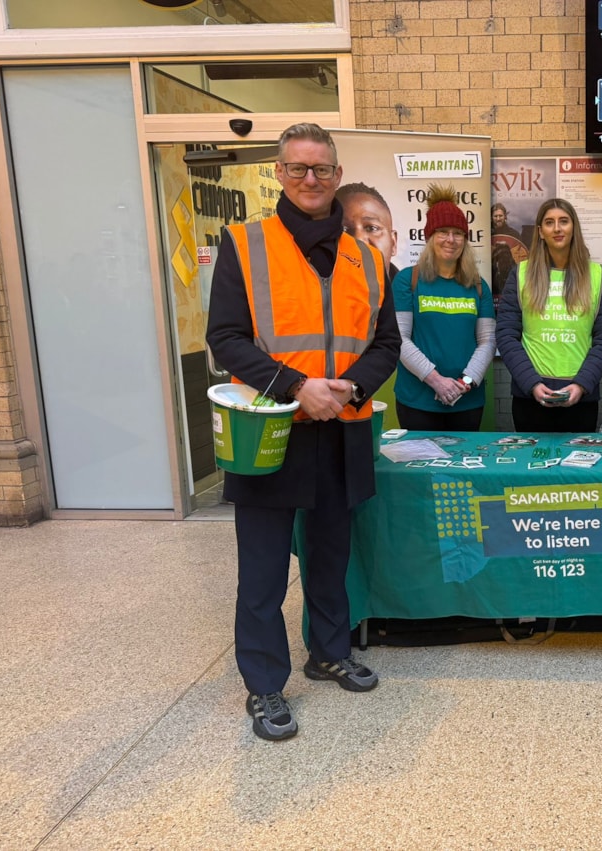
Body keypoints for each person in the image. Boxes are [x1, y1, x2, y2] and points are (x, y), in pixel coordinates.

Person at [206, 123, 401, 740]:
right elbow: (226, 338)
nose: (310, 180)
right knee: (262, 566)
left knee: (329, 552)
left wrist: (350, 388)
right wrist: (296, 387)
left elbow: (385, 343)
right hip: (267, 430)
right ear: (280, 174)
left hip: (340, 426)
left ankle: (329, 650)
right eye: (297, 169)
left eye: (321, 170)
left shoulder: (368, 259)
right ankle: (264, 686)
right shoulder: (244, 244)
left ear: (337, 175)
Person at [496, 198, 602, 432]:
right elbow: (506, 335)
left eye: (564, 221)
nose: (558, 228)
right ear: (541, 232)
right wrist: (531, 383)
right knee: (532, 465)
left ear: (574, 228)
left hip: (581, 398)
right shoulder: (520, 274)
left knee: (578, 467)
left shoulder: (596, 275)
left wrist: (582, 384)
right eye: (550, 222)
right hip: (529, 398)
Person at [392, 184, 495, 431]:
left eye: (458, 233)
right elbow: (400, 339)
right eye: (443, 231)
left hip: (467, 401)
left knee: (462, 468)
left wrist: (465, 382)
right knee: (418, 469)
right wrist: (437, 381)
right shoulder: (408, 280)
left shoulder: (478, 286)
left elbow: (487, 341)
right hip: (417, 401)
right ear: (429, 237)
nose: (451, 239)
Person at [338, 181, 399, 279]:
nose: (358, 240)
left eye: (372, 228)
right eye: (342, 229)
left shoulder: (417, 293)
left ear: (393, 243)